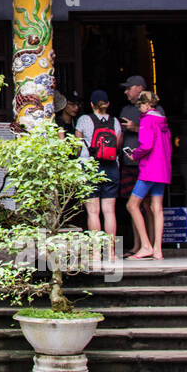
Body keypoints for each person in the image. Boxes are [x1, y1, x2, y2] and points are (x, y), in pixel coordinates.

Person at [75, 90, 121, 259]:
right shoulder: (115, 122)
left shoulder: (83, 120)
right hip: (110, 167)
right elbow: (118, 146)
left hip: (90, 167)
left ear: (91, 104)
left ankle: (95, 253)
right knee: (109, 211)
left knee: (93, 212)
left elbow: (78, 146)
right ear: (107, 104)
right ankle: (111, 252)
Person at [126, 91, 172, 260]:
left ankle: (145, 245)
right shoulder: (162, 120)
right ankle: (157, 249)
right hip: (162, 169)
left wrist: (135, 155)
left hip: (149, 169)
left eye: (140, 106)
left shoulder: (147, 120)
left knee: (132, 205)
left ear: (145, 105)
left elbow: (146, 145)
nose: (139, 110)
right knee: (157, 208)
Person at [117, 74, 148, 247]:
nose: (126, 92)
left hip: (145, 164)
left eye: (129, 88)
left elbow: (157, 133)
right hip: (128, 164)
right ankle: (138, 245)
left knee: (148, 206)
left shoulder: (154, 110)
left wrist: (135, 128)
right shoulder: (126, 110)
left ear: (139, 88)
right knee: (132, 206)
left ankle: (149, 244)